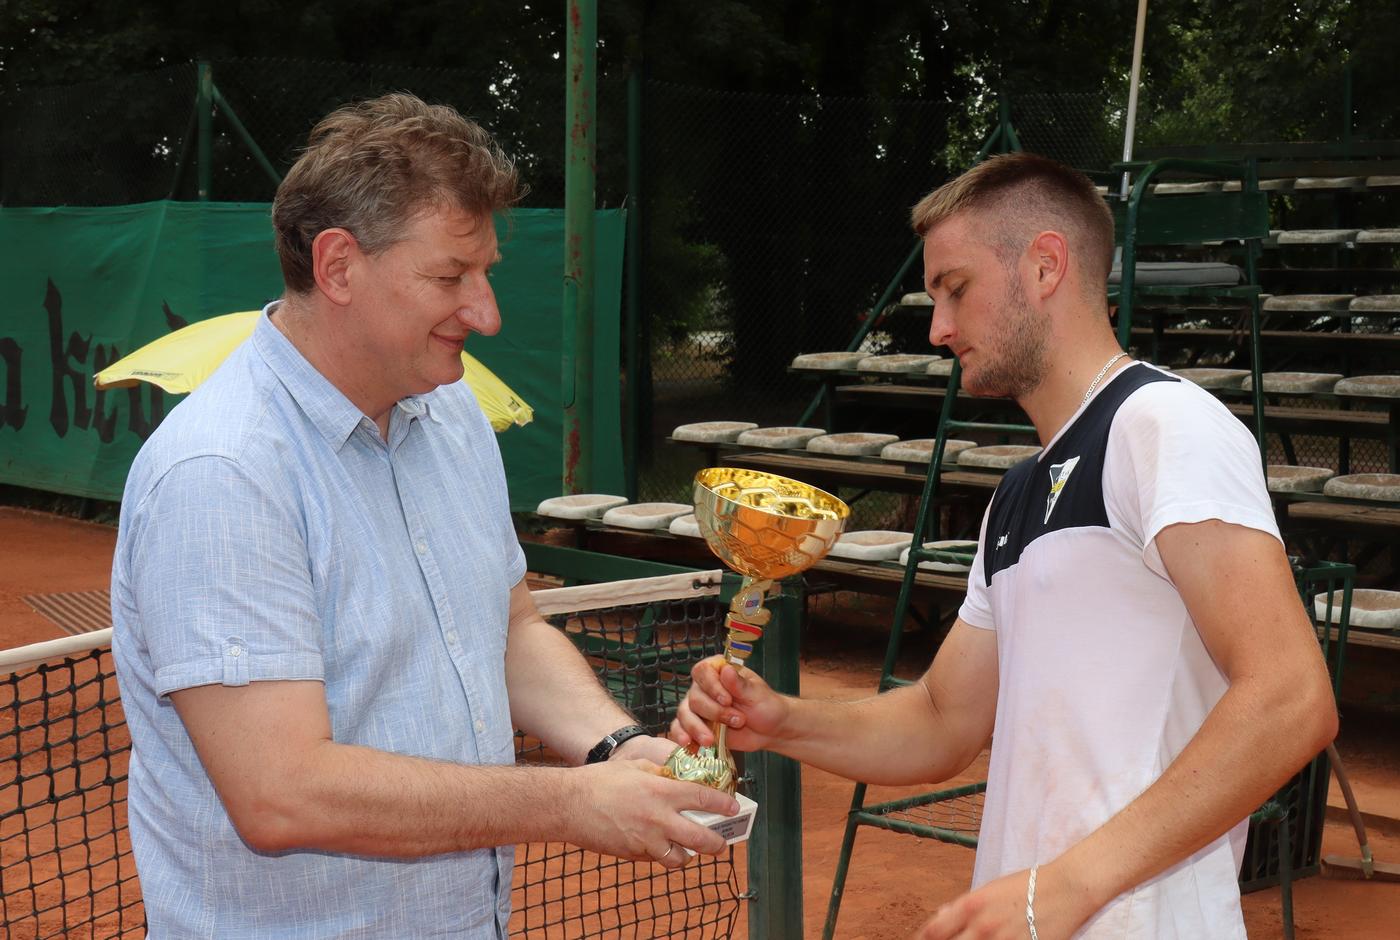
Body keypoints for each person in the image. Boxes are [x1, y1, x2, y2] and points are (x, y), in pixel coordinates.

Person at [111, 92, 736, 938]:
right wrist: (571, 803)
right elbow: (279, 793)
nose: (486, 314)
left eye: (485, 274)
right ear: (337, 266)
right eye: (449, 277)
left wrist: (616, 747)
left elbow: (508, 627)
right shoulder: (222, 473)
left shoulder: (450, 415)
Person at [672, 152, 1338, 939]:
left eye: (956, 289)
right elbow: (941, 719)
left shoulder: (1164, 425)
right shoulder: (1017, 495)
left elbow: (1292, 697)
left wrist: (1069, 885)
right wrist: (782, 722)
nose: (938, 328)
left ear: (1046, 265)